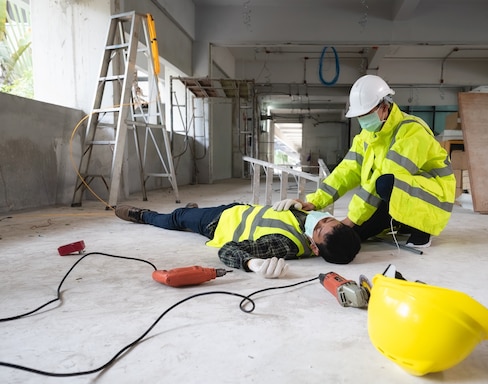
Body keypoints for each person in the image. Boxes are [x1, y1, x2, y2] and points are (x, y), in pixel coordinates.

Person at [274, 74, 456, 248]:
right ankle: (403, 222)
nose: (362, 120)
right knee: (355, 234)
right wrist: (314, 202)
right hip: (405, 190)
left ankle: (422, 228)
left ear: (384, 107)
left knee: (385, 184)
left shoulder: (412, 133)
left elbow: (383, 177)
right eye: (360, 116)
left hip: (434, 197)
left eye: (366, 114)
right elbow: (346, 170)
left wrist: (350, 220)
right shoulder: (367, 136)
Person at [114, 203, 361, 278]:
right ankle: (191, 211)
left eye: (318, 227)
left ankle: (144, 215)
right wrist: (300, 205)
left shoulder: (284, 244)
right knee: (189, 213)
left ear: (314, 248)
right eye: (329, 220)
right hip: (239, 207)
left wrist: (252, 263)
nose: (321, 219)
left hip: (219, 222)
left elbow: (229, 250)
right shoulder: (325, 231)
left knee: (177, 217)